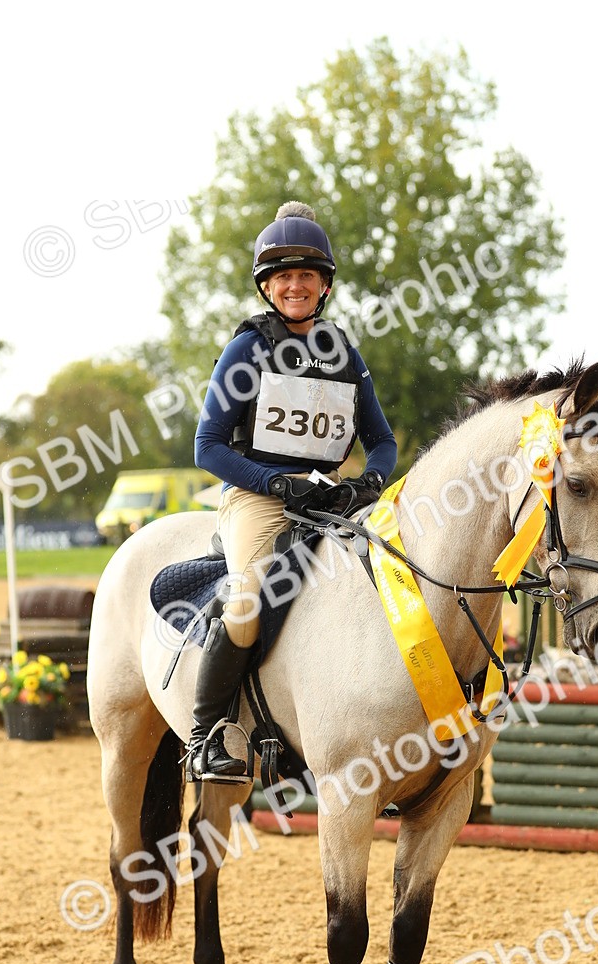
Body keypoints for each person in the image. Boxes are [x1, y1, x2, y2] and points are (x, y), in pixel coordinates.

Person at [190, 201, 398, 780]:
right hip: (257, 498)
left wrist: (371, 480)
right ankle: (207, 735)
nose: (295, 286)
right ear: (267, 286)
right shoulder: (247, 350)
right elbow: (207, 446)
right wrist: (274, 481)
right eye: (283, 276)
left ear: (324, 285)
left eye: (307, 275)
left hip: (329, 501)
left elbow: (382, 441)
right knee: (247, 600)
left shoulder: (344, 353)